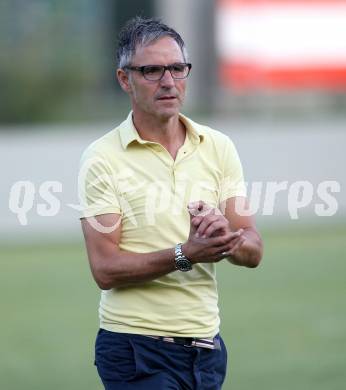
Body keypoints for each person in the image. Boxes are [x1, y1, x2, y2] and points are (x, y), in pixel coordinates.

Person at [79, 16, 263, 390]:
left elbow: (253, 249)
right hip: (135, 350)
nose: (168, 81)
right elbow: (105, 269)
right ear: (124, 79)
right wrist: (187, 253)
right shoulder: (102, 159)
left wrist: (227, 238)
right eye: (151, 70)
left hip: (207, 348)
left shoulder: (218, 146)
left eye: (177, 68)